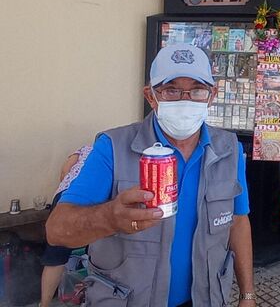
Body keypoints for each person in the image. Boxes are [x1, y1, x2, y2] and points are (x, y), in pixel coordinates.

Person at [46, 44, 255, 307]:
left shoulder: (229, 149)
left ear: (211, 96)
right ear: (150, 96)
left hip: (207, 299)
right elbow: (56, 231)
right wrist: (109, 217)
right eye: (171, 90)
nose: (185, 100)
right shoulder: (112, 147)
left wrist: (247, 295)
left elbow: (237, 221)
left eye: (197, 90)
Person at [40, 146, 92, 307]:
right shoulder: (113, 150)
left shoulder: (84, 149)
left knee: (56, 256)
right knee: (96, 253)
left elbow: (64, 173)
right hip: (95, 199)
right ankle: (90, 297)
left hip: (67, 197)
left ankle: (45, 303)